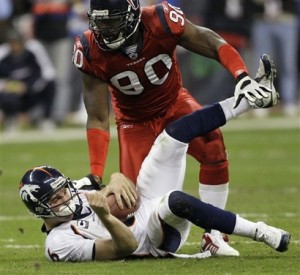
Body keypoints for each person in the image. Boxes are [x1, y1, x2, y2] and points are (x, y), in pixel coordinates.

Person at [19, 54, 290, 261]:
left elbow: (107, 184)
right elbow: (125, 247)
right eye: (55, 198)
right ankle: (259, 231)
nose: (66, 197)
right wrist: (105, 216)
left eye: (63, 190)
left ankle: (251, 98)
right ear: (39, 209)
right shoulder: (59, 243)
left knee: (173, 136)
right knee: (176, 201)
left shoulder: (76, 190)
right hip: (151, 239)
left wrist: (115, 179)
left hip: (144, 203)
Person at [72, 0, 272, 255]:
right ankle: (93, 234)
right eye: (99, 22)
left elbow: (209, 41)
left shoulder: (161, 19)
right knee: (133, 203)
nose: (105, 29)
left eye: (112, 21)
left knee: (213, 146)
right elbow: (98, 118)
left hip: (174, 105)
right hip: (134, 122)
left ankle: (214, 235)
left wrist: (241, 76)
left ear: (133, 15)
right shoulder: (88, 47)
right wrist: (95, 174)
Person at [0, 30, 56, 131]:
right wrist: (12, 86)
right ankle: (11, 120)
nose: (15, 46)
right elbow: (3, 79)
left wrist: (27, 87)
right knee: (8, 97)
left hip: (30, 91)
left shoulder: (30, 55)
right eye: (12, 43)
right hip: (13, 95)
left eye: (16, 43)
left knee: (50, 85)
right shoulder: (5, 59)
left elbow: (43, 74)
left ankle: (46, 119)